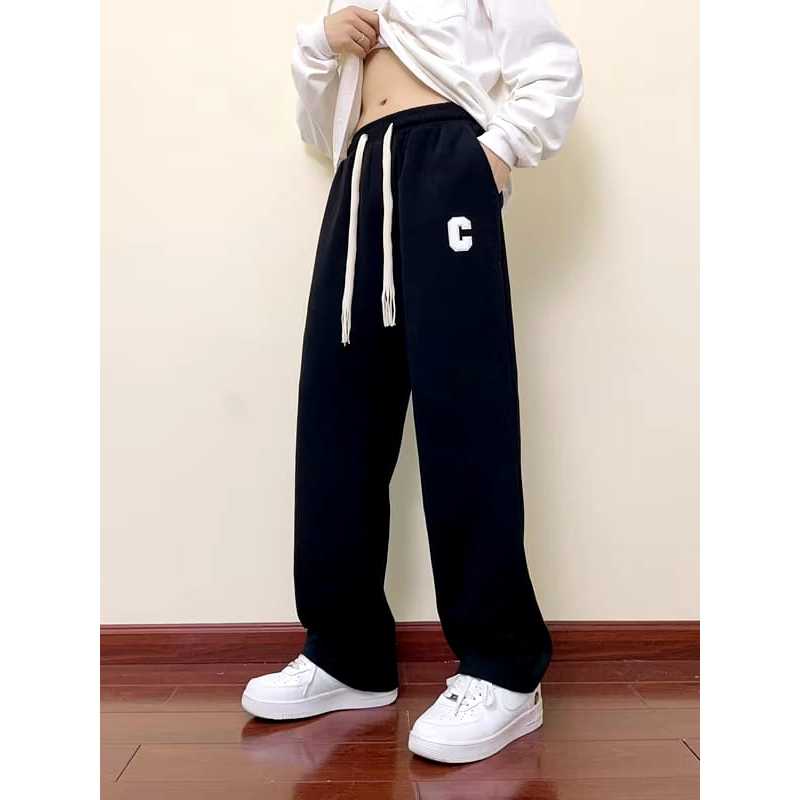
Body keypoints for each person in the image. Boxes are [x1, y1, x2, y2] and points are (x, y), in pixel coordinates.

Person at [242, 0, 583, 764]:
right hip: (360, 172)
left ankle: (502, 665)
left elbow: (552, 66)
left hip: (445, 161)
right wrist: (319, 44)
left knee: (464, 412)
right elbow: (317, 128)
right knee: (337, 416)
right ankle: (348, 652)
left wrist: (493, 154)